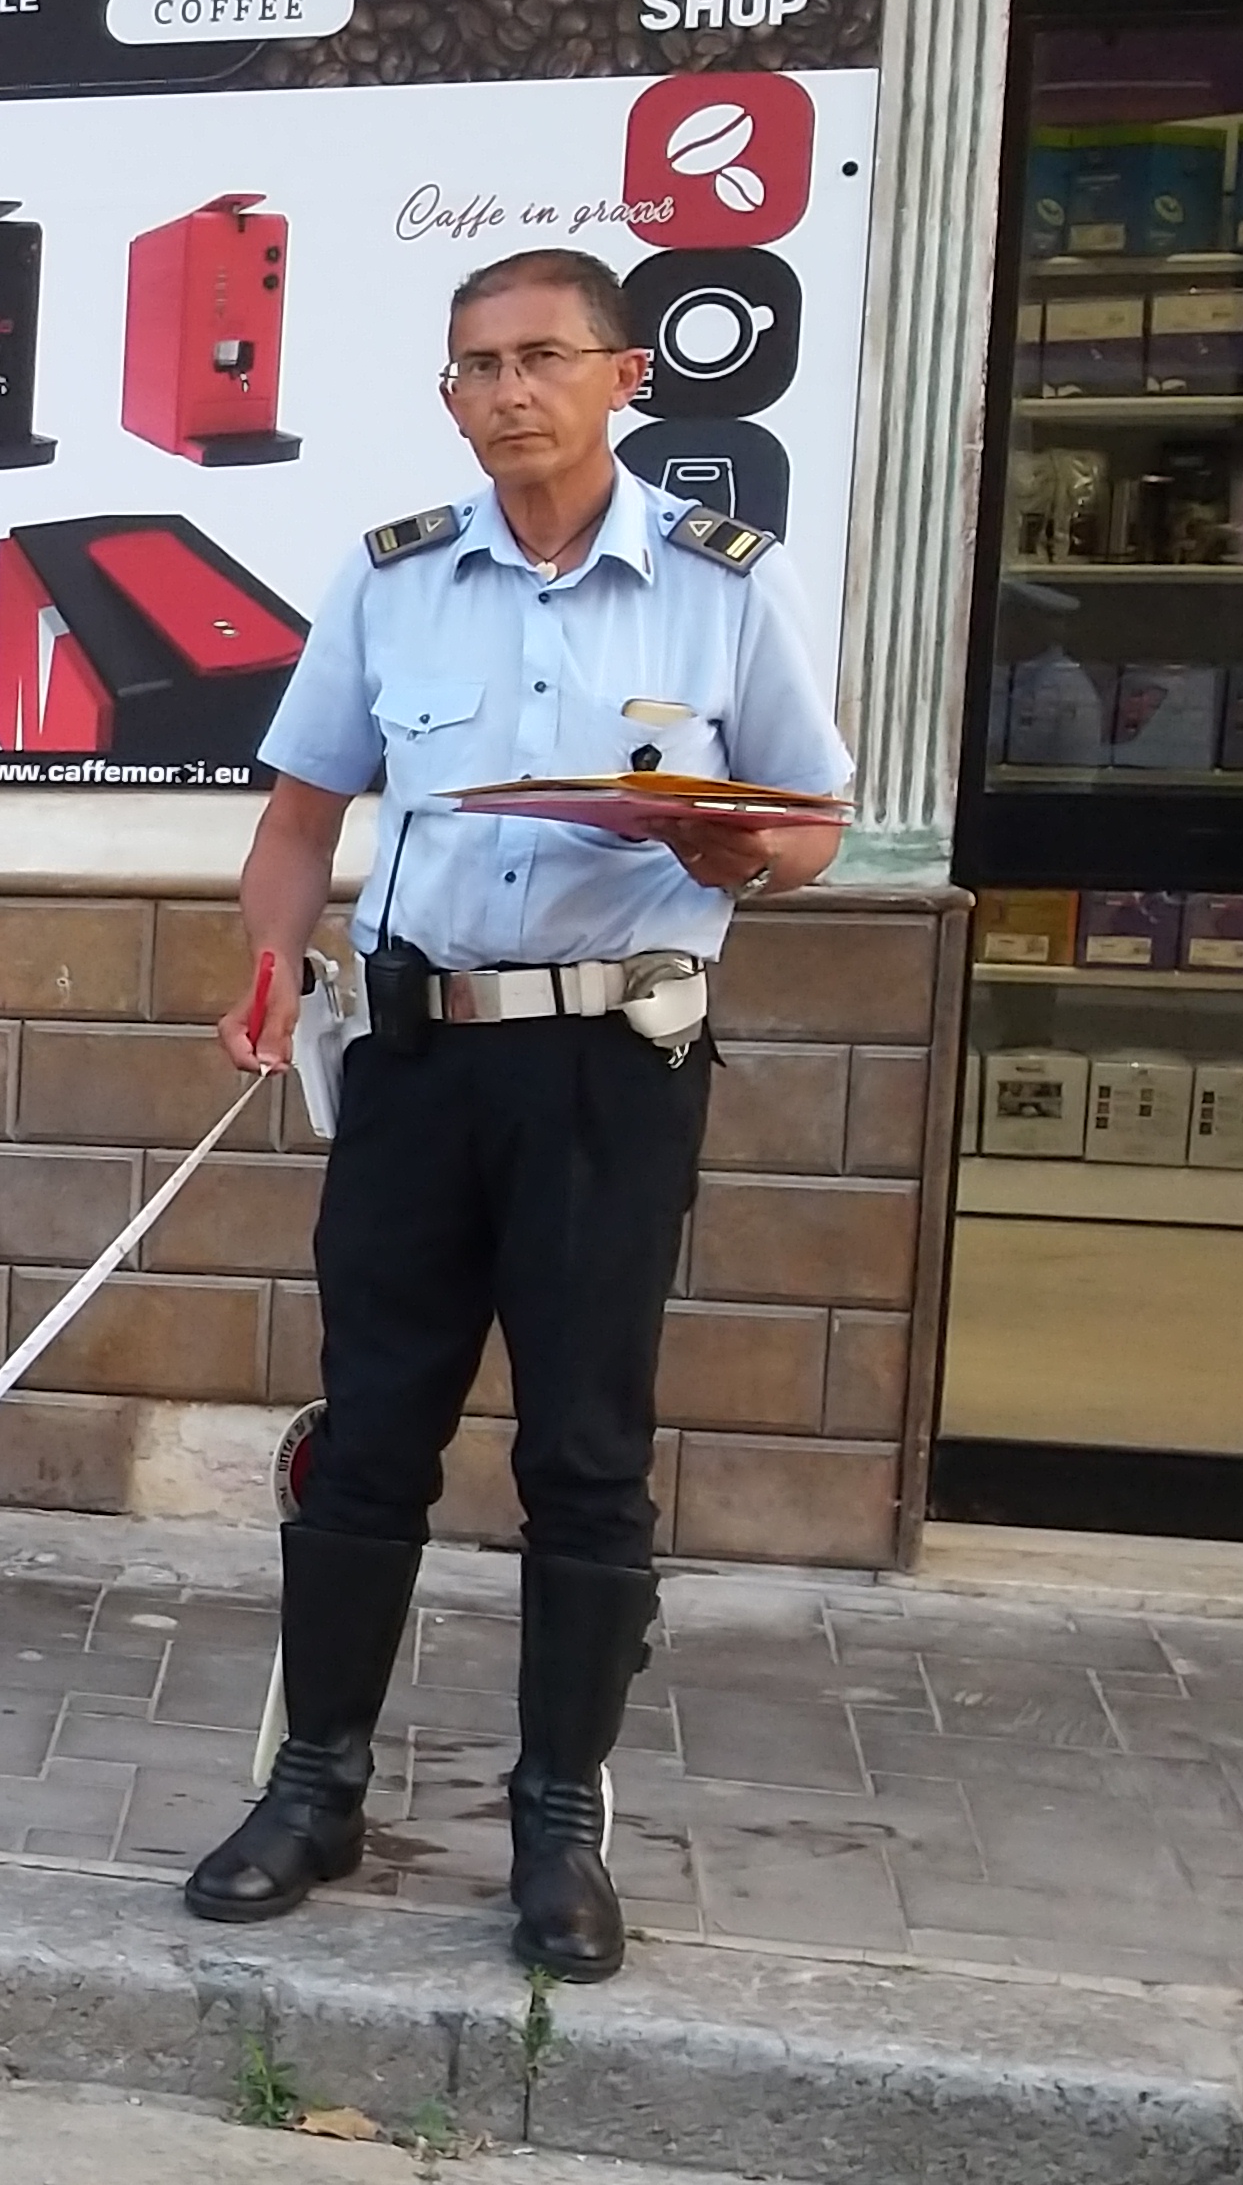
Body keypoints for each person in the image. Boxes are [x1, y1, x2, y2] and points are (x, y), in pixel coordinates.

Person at [188, 246, 852, 1984]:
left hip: (605, 1073)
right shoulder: (396, 581)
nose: (505, 393)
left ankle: (558, 1820)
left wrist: (733, 850)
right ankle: (316, 1785)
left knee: (581, 1449)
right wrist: (271, 960)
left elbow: (807, 830)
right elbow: (296, 818)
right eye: (474, 366)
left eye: (540, 358)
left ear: (625, 377)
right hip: (416, 1060)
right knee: (371, 1428)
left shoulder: (720, 587)